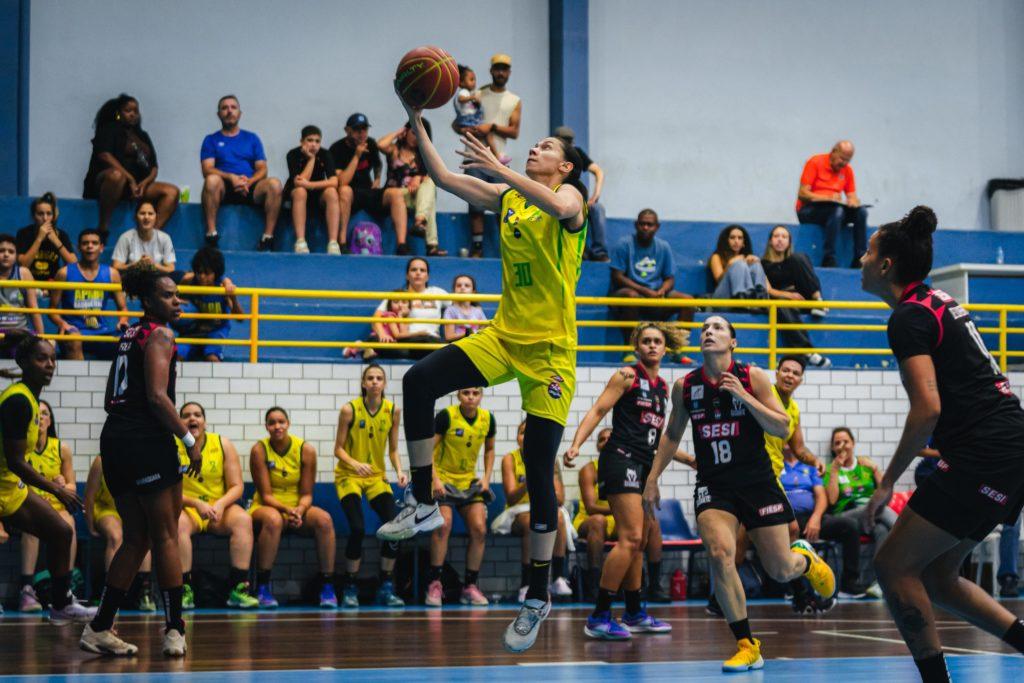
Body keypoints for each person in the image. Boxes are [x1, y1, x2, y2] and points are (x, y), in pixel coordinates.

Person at [376, 90, 587, 653]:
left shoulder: (571, 196)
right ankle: (424, 501)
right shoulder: (509, 197)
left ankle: (537, 595)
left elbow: (560, 208)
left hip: (551, 354)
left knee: (538, 469)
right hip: (503, 337)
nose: (536, 148)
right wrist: (415, 118)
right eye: (535, 145)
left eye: (546, 147)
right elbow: (444, 177)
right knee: (418, 381)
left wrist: (499, 168)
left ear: (564, 166)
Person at [860, 205, 1024, 682]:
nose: (861, 260)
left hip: (986, 451)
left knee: (892, 566)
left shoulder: (908, 317)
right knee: (936, 576)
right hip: (1005, 445)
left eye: (868, 251)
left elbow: (926, 410)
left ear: (886, 265)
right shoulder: (935, 300)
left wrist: (886, 484)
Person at [644, 315, 836, 672]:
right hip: (715, 484)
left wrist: (743, 396)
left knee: (780, 569)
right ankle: (747, 645)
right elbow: (671, 434)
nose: (709, 331)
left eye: (718, 328)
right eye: (705, 328)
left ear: (733, 342)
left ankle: (805, 561)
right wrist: (653, 478)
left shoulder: (752, 377)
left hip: (758, 483)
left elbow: (781, 426)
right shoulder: (685, 386)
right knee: (720, 554)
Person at [80, 262, 197, 657]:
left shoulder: (129, 333)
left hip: (114, 439)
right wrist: (189, 439)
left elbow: (113, 397)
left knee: (136, 538)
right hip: (146, 439)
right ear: (148, 300)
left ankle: (99, 627)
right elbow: (157, 397)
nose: (177, 301)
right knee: (165, 535)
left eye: (177, 295)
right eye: (168, 295)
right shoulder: (160, 334)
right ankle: (175, 629)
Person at [566, 322, 682, 639]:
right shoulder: (627, 376)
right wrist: (576, 444)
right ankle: (599, 615)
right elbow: (598, 410)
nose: (652, 345)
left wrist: (689, 459)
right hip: (620, 459)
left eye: (657, 341)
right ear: (636, 347)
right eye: (646, 341)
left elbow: (658, 438)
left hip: (644, 465)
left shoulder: (662, 387)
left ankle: (634, 612)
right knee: (630, 537)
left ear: (665, 348)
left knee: (640, 541)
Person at [0, 333, 95, 625]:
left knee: (61, 532)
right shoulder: (18, 401)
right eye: (42, 358)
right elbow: (16, 462)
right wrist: (56, 489)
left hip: (8, 485)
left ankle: (61, 604)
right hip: (5, 483)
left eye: (53, 358)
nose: (50, 364)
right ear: (24, 362)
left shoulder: (29, 398)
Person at [332, 365, 406, 608]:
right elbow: (338, 449)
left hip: (376, 476)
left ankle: (386, 585)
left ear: (384, 383)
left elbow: (393, 449)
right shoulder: (349, 410)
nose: (375, 382)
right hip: (349, 475)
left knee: (395, 527)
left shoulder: (393, 410)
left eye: (379, 378)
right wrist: (355, 463)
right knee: (357, 528)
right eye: (370, 378)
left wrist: (399, 471)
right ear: (364, 383)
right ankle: (350, 586)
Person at [249, 407, 337, 609]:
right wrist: (288, 510)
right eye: (272, 422)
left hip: (297, 508)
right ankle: (262, 587)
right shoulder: (259, 450)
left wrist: (299, 510)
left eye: (281, 421)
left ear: (288, 424)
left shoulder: (306, 450)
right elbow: (266, 495)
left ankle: (327, 587)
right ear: (266, 427)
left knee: (324, 520)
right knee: (273, 520)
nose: (277, 426)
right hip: (267, 506)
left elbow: (306, 494)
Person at [175, 402, 258, 610]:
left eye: (197, 415)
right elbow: (166, 490)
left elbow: (237, 486)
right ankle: (184, 590)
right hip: (187, 507)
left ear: (204, 421)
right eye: (186, 415)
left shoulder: (222, 444)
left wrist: (220, 504)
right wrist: (195, 503)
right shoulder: (171, 446)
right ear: (179, 422)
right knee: (177, 525)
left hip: (217, 509)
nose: (192, 419)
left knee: (243, 520)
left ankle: (239, 589)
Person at [710, 225, 830, 368]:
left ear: (744, 242)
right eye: (732, 237)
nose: (736, 241)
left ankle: (806, 348)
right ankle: (745, 300)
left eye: (740, 238)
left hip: (769, 302)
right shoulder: (718, 257)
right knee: (741, 266)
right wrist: (732, 263)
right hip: (725, 298)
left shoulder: (758, 260)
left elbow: (764, 285)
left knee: (756, 265)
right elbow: (718, 279)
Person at [426, 387, 497, 607]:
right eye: (466, 393)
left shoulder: (488, 419)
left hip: (468, 482)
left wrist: (486, 478)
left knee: (479, 528)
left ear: (481, 395)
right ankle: (435, 583)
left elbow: (490, 449)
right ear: (458, 395)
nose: (471, 397)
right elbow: (427, 450)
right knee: (443, 524)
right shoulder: (446, 416)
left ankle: (470, 586)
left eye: (475, 393)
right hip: (444, 481)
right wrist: (435, 480)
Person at [451, 54, 522, 257]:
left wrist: (490, 127)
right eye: (497, 68)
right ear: (491, 70)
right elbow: (456, 123)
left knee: (505, 205)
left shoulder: (514, 100)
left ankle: (509, 250)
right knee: (475, 205)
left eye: (504, 69)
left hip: (498, 161)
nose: (500, 72)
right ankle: (477, 249)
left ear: (509, 72)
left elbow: (514, 131)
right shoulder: (477, 93)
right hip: (473, 157)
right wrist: (464, 129)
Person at [778, 446, 867, 606]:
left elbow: (821, 496)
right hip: (786, 519)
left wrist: (816, 518)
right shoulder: (775, 464)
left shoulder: (809, 466)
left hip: (812, 518)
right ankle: (795, 589)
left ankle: (849, 584)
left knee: (850, 526)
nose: (788, 442)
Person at [83, 94, 179, 235]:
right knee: (117, 176)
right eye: (128, 111)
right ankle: (103, 228)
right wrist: (130, 179)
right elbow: (105, 155)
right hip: (109, 183)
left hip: (138, 186)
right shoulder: (109, 129)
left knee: (172, 192)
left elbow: (154, 166)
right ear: (119, 113)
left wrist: (144, 183)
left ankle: (151, 235)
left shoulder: (143, 135)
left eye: (136, 111)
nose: (133, 114)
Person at [500, 420, 572, 602]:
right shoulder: (509, 459)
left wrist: (544, 475)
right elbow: (511, 498)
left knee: (558, 517)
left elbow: (560, 499)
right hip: (517, 512)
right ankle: (527, 583)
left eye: (530, 432)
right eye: (522, 432)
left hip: (542, 508)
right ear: (517, 438)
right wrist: (531, 478)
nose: (526, 437)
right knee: (529, 522)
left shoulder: (550, 459)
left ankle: (557, 578)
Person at [200, 95, 283, 250]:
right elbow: (207, 169)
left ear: (240, 113)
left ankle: (267, 238)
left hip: (249, 187)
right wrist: (231, 177)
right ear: (219, 114)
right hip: (223, 188)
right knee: (211, 180)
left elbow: (262, 169)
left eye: (233, 107)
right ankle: (211, 235)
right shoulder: (211, 140)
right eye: (224, 108)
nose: (229, 111)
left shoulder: (252, 138)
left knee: (275, 184)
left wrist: (249, 181)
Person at [609, 209, 693, 359]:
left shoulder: (663, 246)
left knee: (688, 301)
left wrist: (662, 290)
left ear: (657, 227)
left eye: (649, 224)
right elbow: (617, 276)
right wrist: (644, 291)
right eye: (642, 224)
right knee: (631, 296)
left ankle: (678, 351)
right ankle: (629, 350)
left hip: (655, 296)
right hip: (630, 295)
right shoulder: (624, 244)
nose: (645, 227)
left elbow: (670, 278)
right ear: (636, 225)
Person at [19, 400, 77, 612]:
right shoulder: (21, 449)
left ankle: (65, 588)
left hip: (56, 506)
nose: (40, 418)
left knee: (68, 524)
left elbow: (72, 487)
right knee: (32, 528)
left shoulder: (61, 448)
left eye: (44, 414)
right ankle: (26, 590)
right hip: (28, 506)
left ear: (50, 421)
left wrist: (63, 485)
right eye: (36, 414)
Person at [824, 426, 895, 594]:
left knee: (882, 530)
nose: (842, 446)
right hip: (847, 516)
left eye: (845, 442)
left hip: (871, 517)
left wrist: (875, 469)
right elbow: (832, 500)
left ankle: (878, 583)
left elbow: (886, 492)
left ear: (853, 443)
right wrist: (834, 470)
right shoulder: (830, 469)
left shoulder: (865, 465)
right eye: (837, 443)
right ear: (833, 448)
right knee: (881, 511)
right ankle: (905, 533)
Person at [329, 113, 410, 255]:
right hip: (351, 194)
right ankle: (341, 243)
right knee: (344, 190)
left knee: (396, 193)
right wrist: (357, 156)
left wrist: (377, 179)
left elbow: (377, 164)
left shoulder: (370, 143)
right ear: (347, 130)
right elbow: (342, 182)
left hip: (368, 191)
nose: (362, 134)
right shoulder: (337, 149)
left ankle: (401, 245)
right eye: (357, 130)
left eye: (365, 130)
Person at [83, 455, 156, 612]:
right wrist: (90, 525)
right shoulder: (101, 461)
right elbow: (89, 496)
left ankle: (144, 592)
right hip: (106, 509)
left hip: (130, 509)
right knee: (116, 536)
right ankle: (110, 595)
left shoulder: (141, 459)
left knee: (144, 537)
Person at [49, 229, 129, 360]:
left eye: (94, 243)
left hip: (102, 332)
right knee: (74, 339)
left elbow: (122, 307)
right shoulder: (64, 273)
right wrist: (62, 324)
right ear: (79, 248)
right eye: (85, 243)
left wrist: (122, 321)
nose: (90, 246)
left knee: (126, 342)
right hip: (73, 331)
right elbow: (52, 310)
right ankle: (77, 375)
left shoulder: (112, 274)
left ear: (101, 248)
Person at [796, 140, 868, 268]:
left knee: (861, 212)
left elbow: (852, 196)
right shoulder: (815, 162)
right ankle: (829, 258)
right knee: (837, 211)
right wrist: (827, 197)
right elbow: (802, 194)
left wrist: (853, 202)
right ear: (833, 152)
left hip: (834, 210)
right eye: (842, 158)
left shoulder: (847, 170)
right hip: (808, 211)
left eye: (847, 160)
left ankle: (859, 258)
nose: (843, 163)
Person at [379, 120, 446, 256]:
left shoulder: (424, 156)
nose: (416, 138)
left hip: (413, 196)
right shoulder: (395, 150)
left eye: (420, 135)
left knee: (430, 184)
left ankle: (420, 221)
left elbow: (435, 176)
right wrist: (399, 132)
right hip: (394, 193)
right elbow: (380, 145)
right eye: (414, 133)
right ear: (406, 132)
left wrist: (419, 178)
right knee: (429, 202)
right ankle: (431, 244)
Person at [175, 247, 242, 362]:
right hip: (193, 332)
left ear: (216, 273)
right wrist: (176, 299)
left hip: (216, 331)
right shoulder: (189, 281)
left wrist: (233, 298)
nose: (202, 276)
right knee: (177, 355)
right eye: (199, 272)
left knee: (212, 357)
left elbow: (240, 318)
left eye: (207, 273)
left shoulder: (222, 287)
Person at [372, 257, 448, 359]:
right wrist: (382, 334)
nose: (418, 273)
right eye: (413, 270)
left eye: (422, 270)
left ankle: (412, 354)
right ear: (407, 276)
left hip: (430, 340)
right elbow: (376, 318)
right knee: (375, 340)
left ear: (427, 277)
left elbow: (459, 304)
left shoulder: (437, 292)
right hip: (406, 340)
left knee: (435, 345)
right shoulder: (398, 295)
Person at [554, 126, 608, 262]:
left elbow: (599, 172)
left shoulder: (576, 153)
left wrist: (595, 196)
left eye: (569, 141)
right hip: (559, 201)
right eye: (564, 141)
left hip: (580, 202)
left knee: (597, 208)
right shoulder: (552, 155)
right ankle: (579, 250)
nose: (567, 144)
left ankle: (599, 252)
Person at [284, 125, 340, 254]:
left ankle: (333, 243)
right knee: (301, 192)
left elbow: (334, 181)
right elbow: (299, 182)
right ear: (302, 142)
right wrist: (312, 159)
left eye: (317, 141)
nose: (314, 144)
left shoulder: (325, 154)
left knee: (331, 192)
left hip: (316, 192)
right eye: (309, 140)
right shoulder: (293, 154)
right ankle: (301, 241)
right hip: (296, 193)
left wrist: (310, 185)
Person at [762, 225, 828, 318]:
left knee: (798, 257)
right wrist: (789, 295)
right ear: (770, 241)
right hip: (782, 301)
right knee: (782, 305)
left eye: (784, 237)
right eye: (776, 236)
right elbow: (768, 290)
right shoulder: (763, 264)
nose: (780, 239)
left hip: (803, 299)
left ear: (789, 242)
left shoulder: (795, 260)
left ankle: (817, 301)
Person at [16, 193, 76, 282]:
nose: (45, 218)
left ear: (53, 216)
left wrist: (56, 241)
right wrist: (39, 239)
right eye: (40, 214)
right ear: (33, 216)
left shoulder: (61, 235)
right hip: (30, 284)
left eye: (49, 214)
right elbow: (23, 266)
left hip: (53, 283)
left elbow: (73, 266)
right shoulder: (24, 234)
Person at [110, 201, 176, 274]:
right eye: (142, 213)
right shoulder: (125, 237)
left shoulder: (165, 238)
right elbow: (116, 266)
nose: (146, 217)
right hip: (132, 277)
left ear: (156, 217)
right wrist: (135, 265)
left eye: (150, 214)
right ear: (135, 217)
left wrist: (153, 265)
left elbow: (171, 269)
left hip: (157, 278)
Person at [0, 234, 44, 335]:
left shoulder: (23, 273)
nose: (6, 254)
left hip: (20, 333)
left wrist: (42, 337)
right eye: (1, 251)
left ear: (16, 256)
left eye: (11, 252)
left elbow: (34, 310)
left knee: (46, 346)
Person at [442, 274, 487, 341]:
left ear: (473, 292)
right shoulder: (451, 310)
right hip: (458, 344)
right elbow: (449, 337)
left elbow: (484, 331)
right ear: (454, 291)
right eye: (459, 285)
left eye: (467, 286)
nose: (462, 288)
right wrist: (467, 333)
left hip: (475, 343)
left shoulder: (478, 311)